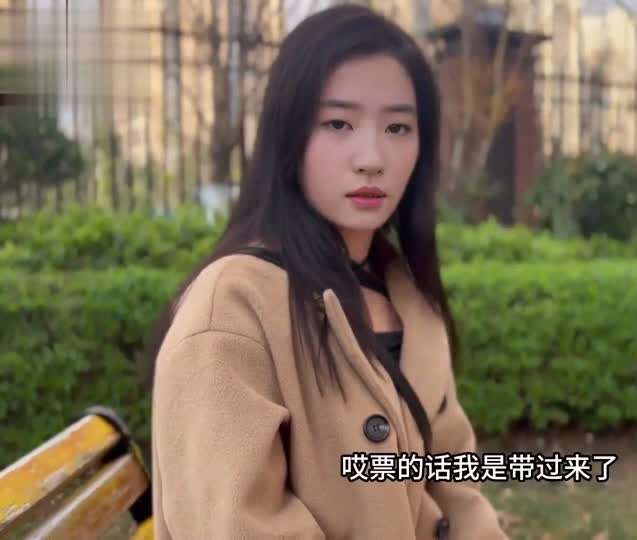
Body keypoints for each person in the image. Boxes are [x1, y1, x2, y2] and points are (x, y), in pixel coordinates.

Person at [146, 5, 508, 539]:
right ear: (288, 135)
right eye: (338, 123)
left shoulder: (408, 298)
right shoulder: (232, 309)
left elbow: (457, 487)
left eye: (398, 127)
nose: (372, 157)